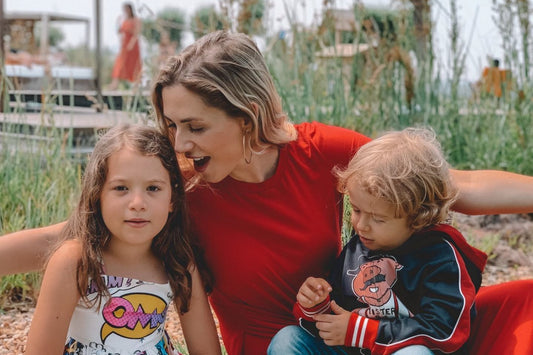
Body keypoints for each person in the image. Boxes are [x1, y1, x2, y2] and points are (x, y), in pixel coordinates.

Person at [1, 31, 532, 355]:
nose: (178, 142)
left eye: (194, 126)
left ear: (247, 116)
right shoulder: (185, 190)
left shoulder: (323, 152)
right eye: (171, 125)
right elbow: (70, 235)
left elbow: (452, 186)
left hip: (360, 337)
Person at [268, 128, 488, 355]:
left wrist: (364, 332)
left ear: (417, 217)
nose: (361, 225)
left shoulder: (440, 257)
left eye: (379, 219)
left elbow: (444, 331)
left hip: (402, 349)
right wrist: (317, 304)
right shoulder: (359, 247)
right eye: (356, 210)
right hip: (355, 349)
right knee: (288, 339)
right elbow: (339, 318)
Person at [24, 124, 221, 355]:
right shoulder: (75, 262)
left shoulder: (177, 262)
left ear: (172, 199)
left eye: (153, 188)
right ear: (97, 195)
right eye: (121, 188)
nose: (137, 202)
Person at [107, 2, 142, 90]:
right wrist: (118, 22)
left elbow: (136, 33)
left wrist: (131, 44)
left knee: (133, 64)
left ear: (130, 9)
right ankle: (114, 84)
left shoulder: (136, 20)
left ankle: (136, 85)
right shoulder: (124, 20)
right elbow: (119, 31)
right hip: (124, 46)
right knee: (119, 64)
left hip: (132, 46)